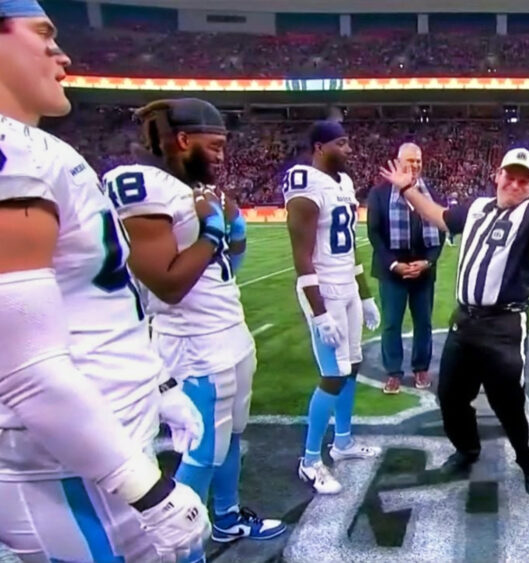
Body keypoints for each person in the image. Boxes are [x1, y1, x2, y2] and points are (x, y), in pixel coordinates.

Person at [0, 2, 210, 560]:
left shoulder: (35, 149)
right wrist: (148, 490)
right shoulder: (12, 153)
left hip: (94, 455)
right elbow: (26, 371)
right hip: (66, 471)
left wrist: (158, 387)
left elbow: (97, 304)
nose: (61, 53)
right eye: (42, 35)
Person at [379, 147, 529, 496]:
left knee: (508, 402)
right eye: (510, 176)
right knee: (450, 397)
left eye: (524, 180)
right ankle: (467, 450)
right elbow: (440, 216)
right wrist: (407, 190)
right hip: (464, 322)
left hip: (504, 326)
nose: (515, 184)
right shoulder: (476, 207)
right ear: (498, 174)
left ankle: (528, 460)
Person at [104, 97, 284, 543]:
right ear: (183, 140)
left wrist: (234, 229)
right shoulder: (139, 184)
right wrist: (213, 231)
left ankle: (225, 518)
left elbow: (224, 269)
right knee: (202, 448)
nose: (222, 156)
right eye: (215, 145)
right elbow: (168, 283)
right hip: (193, 342)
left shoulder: (193, 192)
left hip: (228, 330)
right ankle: (178, 544)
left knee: (230, 437)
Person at [285, 121, 382, 495]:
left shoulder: (343, 184)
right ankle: (309, 460)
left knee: (352, 366)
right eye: (342, 143)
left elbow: (351, 246)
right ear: (320, 147)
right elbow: (301, 253)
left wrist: (366, 294)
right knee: (332, 374)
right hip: (323, 287)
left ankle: (342, 442)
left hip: (347, 288)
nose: (350, 149)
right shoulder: (303, 181)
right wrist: (319, 310)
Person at [367, 142, 442, 394]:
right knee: (391, 323)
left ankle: (421, 368)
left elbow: (440, 229)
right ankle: (393, 373)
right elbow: (375, 234)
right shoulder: (379, 194)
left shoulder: (429, 192)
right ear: (398, 163)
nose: (415, 165)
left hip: (423, 269)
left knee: (424, 323)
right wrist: (394, 264)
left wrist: (428, 261)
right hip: (392, 270)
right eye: (410, 161)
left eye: (418, 161)